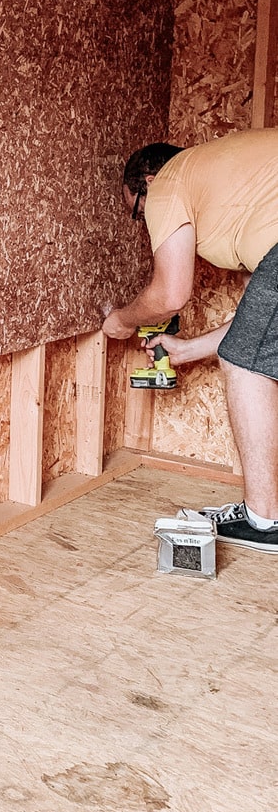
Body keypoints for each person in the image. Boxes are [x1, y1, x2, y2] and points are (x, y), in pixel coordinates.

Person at [102, 128, 278, 551]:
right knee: (248, 354)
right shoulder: (252, 196)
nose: (147, 226)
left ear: (146, 184)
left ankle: (264, 520)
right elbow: (256, 326)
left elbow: (170, 295)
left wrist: (121, 322)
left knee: (244, 362)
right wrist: (186, 349)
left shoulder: (167, 183)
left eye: (139, 215)